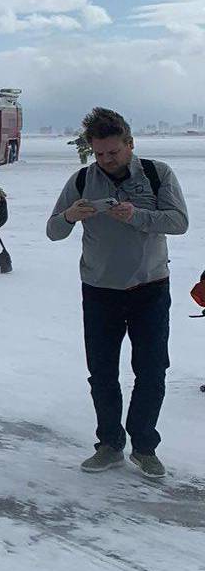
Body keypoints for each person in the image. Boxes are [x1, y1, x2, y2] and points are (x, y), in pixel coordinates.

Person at [47, 107, 189, 479]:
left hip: (150, 289)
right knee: (102, 373)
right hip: (100, 291)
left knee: (152, 371)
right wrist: (70, 216)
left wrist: (137, 216)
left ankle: (144, 447)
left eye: (113, 152)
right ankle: (109, 445)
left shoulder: (158, 174)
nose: (106, 160)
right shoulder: (82, 180)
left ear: (130, 144)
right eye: (99, 153)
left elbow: (179, 222)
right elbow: (52, 231)